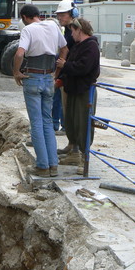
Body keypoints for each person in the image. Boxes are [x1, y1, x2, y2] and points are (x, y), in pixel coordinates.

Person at [13, 4, 68, 177]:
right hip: (48, 78)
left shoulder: (28, 30)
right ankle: (53, 165)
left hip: (33, 77)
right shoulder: (52, 25)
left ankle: (42, 166)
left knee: (36, 123)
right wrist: (55, 72)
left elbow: (20, 54)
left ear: (24, 17)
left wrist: (16, 73)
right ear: (38, 14)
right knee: (47, 122)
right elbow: (64, 49)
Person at [56, 18, 100, 174]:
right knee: (72, 121)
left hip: (84, 91)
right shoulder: (78, 46)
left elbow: (83, 68)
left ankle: (84, 158)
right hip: (74, 89)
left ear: (80, 30)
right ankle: (74, 153)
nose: (71, 34)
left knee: (83, 124)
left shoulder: (91, 47)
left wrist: (65, 65)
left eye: (73, 31)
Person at [54, 0, 80, 160]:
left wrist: (59, 73)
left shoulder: (74, 32)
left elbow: (68, 54)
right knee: (67, 113)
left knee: (72, 114)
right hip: (67, 76)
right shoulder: (68, 31)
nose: (59, 18)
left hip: (72, 78)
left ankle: (75, 150)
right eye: (58, 15)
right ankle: (71, 145)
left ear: (72, 14)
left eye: (62, 14)